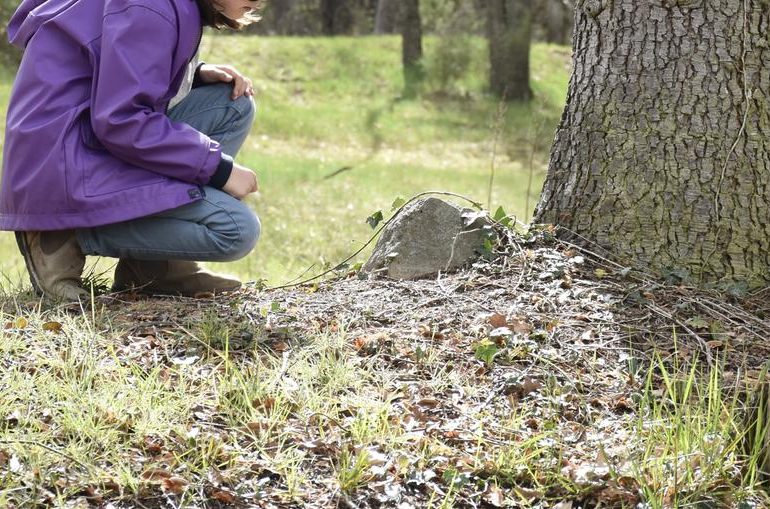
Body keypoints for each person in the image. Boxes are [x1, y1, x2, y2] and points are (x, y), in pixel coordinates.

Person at [0, 0, 265, 301]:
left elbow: (116, 63)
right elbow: (121, 120)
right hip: (62, 163)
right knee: (235, 229)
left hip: (89, 143)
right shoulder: (150, 5)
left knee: (231, 104)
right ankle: (61, 233)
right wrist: (218, 168)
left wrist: (194, 72)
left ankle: (154, 268)